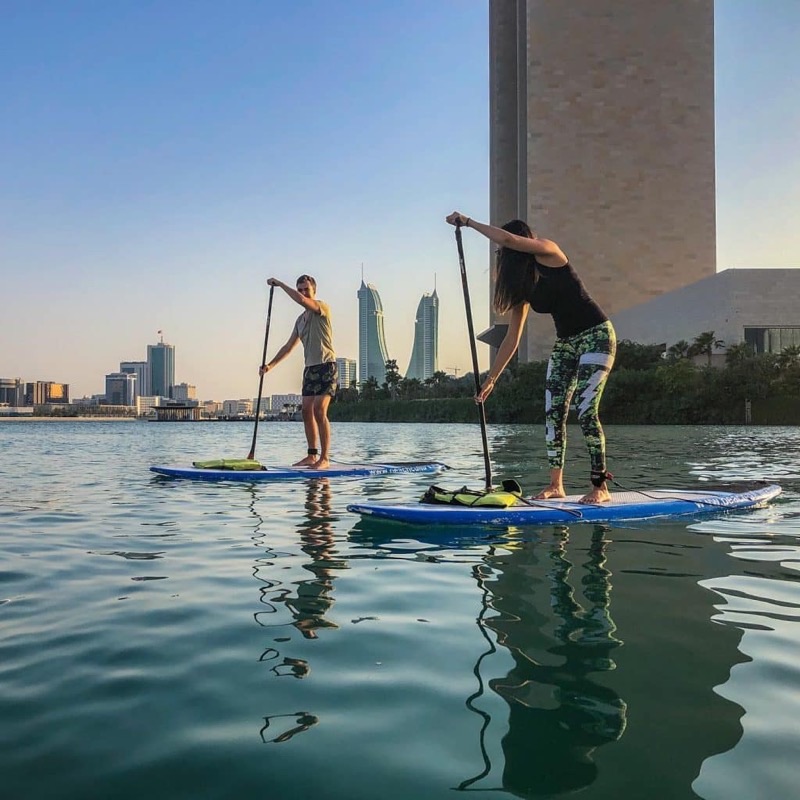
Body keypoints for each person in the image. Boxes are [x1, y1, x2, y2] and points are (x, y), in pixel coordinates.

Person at [446, 212, 616, 504]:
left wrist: (469, 223)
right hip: (565, 343)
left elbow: (508, 239)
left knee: (586, 410)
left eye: (504, 251)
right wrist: (492, 379)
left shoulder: (549, 251)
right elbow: (512, 338)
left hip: (596, 335)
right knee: (553, 414)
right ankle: (556, 485)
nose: (502, 255)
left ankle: (600, 487)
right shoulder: (525, 286)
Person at [259, 274, 337, 469]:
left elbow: (302, 301)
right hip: (309, 369)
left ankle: (325, 458)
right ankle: (312, 455)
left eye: (306, 289)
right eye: (300, 289)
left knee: (319, 410)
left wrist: (279, 284)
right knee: (306, 412)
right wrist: (269, 366)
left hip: (326, 366)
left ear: (314, 291)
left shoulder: (321, 307)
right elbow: (288, 347)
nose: (303, 293)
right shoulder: (300, 320)